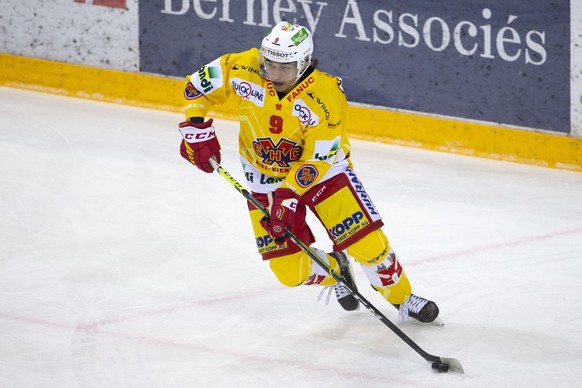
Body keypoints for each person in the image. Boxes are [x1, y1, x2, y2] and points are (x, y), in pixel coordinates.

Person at [178, 21, 439, 323]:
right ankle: (337, 272)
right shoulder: (242, 67)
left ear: (302, 64)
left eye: (283, 68)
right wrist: (196, 128)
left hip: (324, 173)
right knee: (289, 272)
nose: (272, 74)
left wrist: (288, 197)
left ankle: (403, 298)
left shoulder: (325, 97)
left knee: (367, 245)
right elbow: (196, 86)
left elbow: (317, 159)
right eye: (268, 63)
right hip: (263, 179)